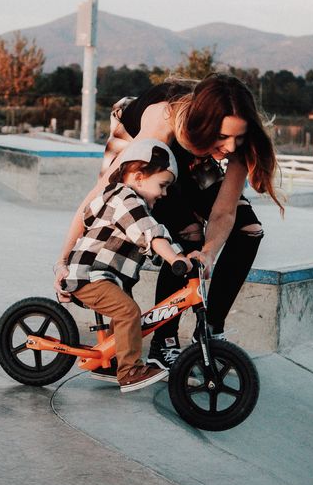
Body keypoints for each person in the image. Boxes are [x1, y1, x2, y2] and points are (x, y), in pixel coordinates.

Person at [55, 73, 283, 374]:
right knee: (182, 231)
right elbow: (100, 197)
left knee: (248, 230)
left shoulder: (237, 143)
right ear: (203, 125)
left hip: (195, 154)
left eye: (237, 137)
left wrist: (209, 253)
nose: (229, 147)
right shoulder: (159, 124)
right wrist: (63, 261)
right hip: (141, 142)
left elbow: (224, 213)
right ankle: (163, 340)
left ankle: (210, 331)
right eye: (222, 136)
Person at [54, 139, 192, 393]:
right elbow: (150, 234)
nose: (164, 194)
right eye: (162, 185)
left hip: (105, 277)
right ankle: (129, 371)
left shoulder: (130, 201)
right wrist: (176, 259)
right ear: (139, 177)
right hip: (89, 276)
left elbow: (154, 241)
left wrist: (185, 257)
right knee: (128, 312)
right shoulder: (125, 200)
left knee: (126, 317)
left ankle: (111, 362)